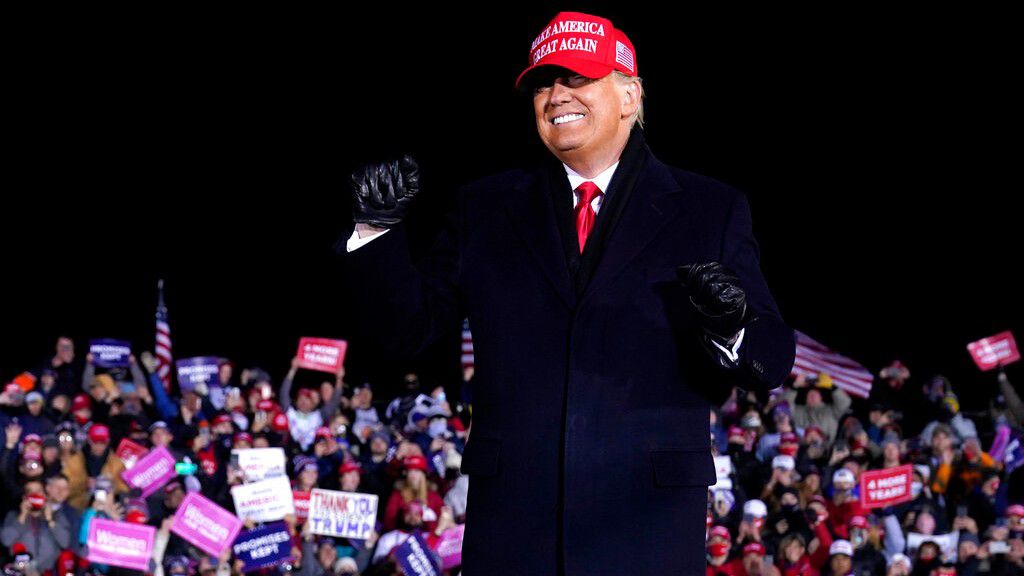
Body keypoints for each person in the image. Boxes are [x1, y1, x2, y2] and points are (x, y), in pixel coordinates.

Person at [336, 10, 796, 575]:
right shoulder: (484, 208)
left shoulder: (710, 209)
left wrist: (732, 324)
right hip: (513, 531)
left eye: (576, 78)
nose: (556, 95)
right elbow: (407, 333)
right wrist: (376, 233)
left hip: (646, 530)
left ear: (629, 97)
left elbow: (770, 358)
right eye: (543, 83)